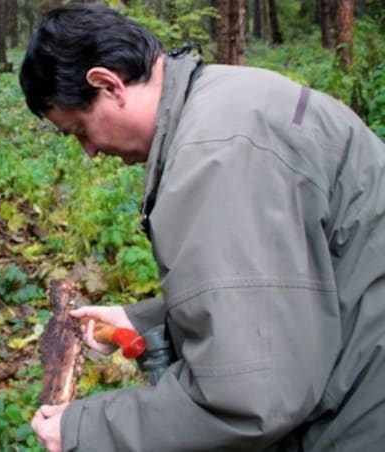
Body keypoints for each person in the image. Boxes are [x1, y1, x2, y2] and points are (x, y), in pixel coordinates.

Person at [21, 4, 385, 451]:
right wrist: (144, 319)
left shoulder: (215, 157)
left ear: (108, 84)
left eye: (80, 130)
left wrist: (86, 429)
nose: (90, 151)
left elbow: (251, 397)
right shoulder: (226, 98)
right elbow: (284, 284)